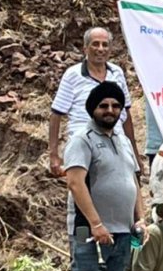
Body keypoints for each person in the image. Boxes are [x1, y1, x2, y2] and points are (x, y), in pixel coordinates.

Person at [64, 82, 145, 271]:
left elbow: (133, 180)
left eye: (115, 106)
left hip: (123, 231)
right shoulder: (81, 139)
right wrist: (96, 223)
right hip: (91, 231)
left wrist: (140, 217)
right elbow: (74, 182)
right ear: (93, 109)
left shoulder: (122, 140)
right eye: (103, 106)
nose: (109, 111)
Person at [50, 27, 142, 176]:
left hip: (116, 143)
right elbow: (56, 114)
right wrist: (54, 155)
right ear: (85, 48)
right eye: (95, 44)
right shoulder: (73, 75)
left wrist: (135, 154)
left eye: (105, 45)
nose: (100, 49)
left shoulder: (117, 73)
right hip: (84, 145)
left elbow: (125, 114)